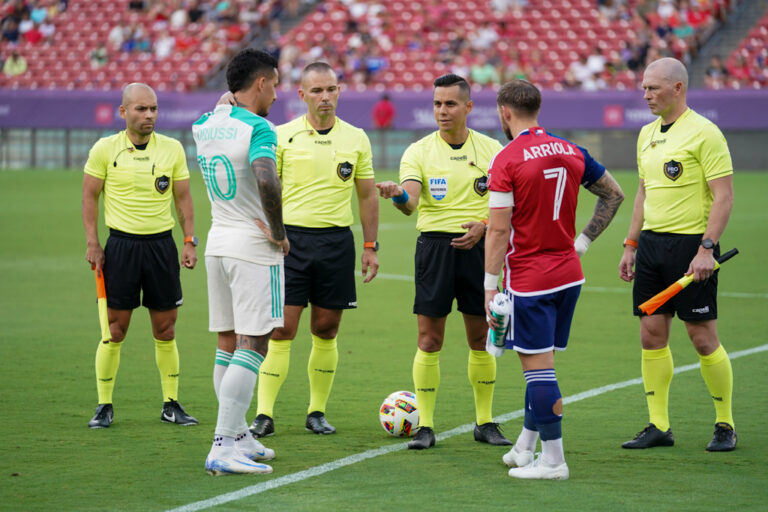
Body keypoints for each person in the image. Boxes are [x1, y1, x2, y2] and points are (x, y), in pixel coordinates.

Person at [485, 79, 624, 479]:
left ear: (504, 112)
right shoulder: (571, 149)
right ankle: (526, 446)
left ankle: (553, 461)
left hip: (531, 277)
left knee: (538, 369)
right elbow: (614, 194)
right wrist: (581, 243)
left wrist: (489, 286)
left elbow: (497, 230)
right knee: (540, 359)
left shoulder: (507, 158)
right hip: (568, 273)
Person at [376, 74, 509, 450]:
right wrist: (398, 194)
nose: (442, 111)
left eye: (450, 104)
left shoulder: (492, 150)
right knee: (429, 339)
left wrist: (484, 227)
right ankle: (426, 426)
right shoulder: (418, 151)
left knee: (481, 338)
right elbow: (411, 203)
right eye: (437, 103)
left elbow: (506, 208)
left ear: (468, 107)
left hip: (481, 249)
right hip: (435, 249)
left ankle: (485, 422)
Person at [248, 61, 380, 438]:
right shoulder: (281, 135)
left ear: (339, 91)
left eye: (331, 89)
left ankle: (316, 411)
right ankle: (265, 413)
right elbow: (264, 187)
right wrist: (267, 231)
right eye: (317, 91)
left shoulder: (356, 138)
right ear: (302, 95)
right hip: (290, 242)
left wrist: (370, 245)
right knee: (281, 329)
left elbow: (367, 194)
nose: (325, 97)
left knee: (326, 329)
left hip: (337, 243)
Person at [618, 57, 737, 452]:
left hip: (692, 247)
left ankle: (725, 424)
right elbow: (643, 192)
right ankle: (658, 426)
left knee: (702, 338)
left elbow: (724, 196)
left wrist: (706, 249)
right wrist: (631, 244)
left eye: (653, 88)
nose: (646, 94)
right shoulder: (646, 133)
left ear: (678, 89)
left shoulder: (706, 133)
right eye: (645, 88)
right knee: (651, 335)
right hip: (652, 246)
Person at [193, 48, 287, 476]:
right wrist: (280, 233)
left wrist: (223, 102)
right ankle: (222, 444)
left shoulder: (203, 123)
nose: (277, 92)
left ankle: (238, 436)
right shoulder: (260, 127)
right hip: (252, 244)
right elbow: (266, 177)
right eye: (276, 83)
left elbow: (219, 117)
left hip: (218, 240)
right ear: (262, 83)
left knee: (227, 343)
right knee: (255, 343)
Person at [82, 83, 198, 428]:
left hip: (161, 247)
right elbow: (90, 197)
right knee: (114, 329)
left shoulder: (173, 149)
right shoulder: (105, 149)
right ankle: (104, 406)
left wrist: (189, 240)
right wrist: (93, 242)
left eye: (153, 109)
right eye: (141, 109)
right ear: (124, 112)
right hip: (121, 247)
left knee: (166, 329)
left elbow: (183, 200)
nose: (149, 116)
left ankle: (171, 403)